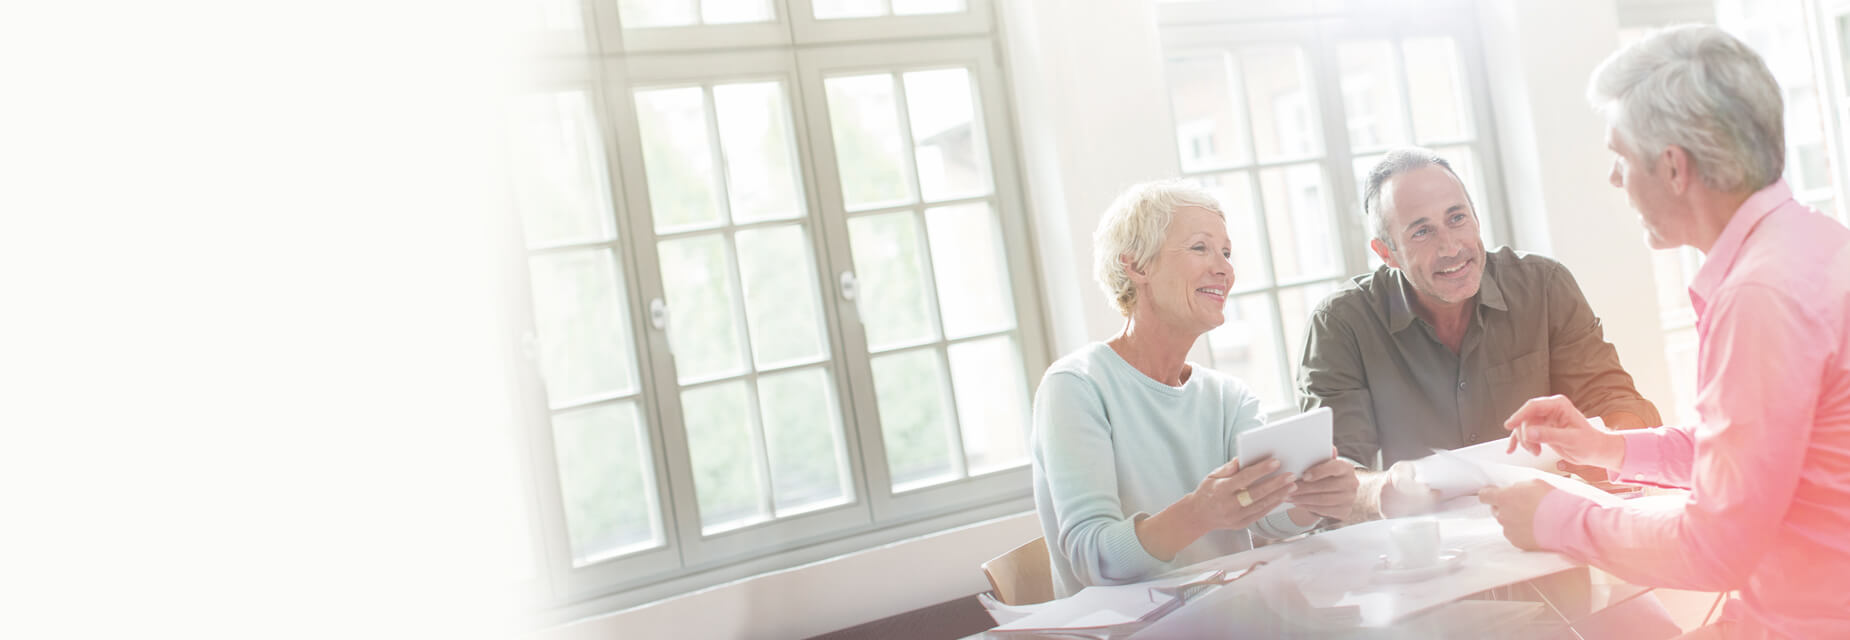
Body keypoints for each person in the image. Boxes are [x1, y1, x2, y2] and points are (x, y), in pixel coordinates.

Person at [1482, 25, 1850, 638]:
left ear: (1674, 168)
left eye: (1619, 157)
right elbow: (1744, 454)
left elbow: (1716, 543)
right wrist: (1606, 449)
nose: (1613, 180)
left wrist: (1555, 517)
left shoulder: (1758, 296)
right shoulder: (1815, 242)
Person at [1031, 181, 1361, 598]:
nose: (1224, 268)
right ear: (1137, 267)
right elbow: (1093, 560)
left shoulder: (1229, 396)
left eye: (1226, 252)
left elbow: (1269, 517)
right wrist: (1199, 513)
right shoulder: (1076, 387)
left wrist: (1315, 501)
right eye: (1200, 248)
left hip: (1227, 618)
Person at [1296, 147, 1661, 518]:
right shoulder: (1339, 325)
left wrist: (1604, 445)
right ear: (1385, 252)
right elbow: (1333, 481)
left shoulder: (1545, 286)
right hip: (1418, 558)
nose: (1451, 247)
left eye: (1457, 219)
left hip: (1547, 542)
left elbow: (1618, 404)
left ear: (1476, 219)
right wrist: (1387, 489)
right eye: (1422, 232)